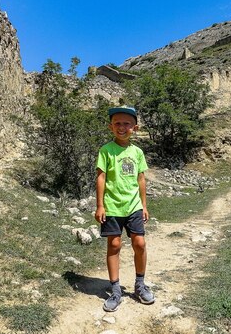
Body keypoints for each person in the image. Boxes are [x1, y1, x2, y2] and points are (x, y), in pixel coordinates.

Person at [95, 106, 155, 312]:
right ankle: (115, 290)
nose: (122, 127)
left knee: (139, 243)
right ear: (111, 126)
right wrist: (100, 205)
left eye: (126, 124)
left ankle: (140, 285)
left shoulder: (137, 152)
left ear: (135, 128)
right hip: (112, 206)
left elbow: (141, 180)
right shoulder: (106, 150)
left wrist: (144, 205)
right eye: (117, 123)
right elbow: (101, 177)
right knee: (114, 244)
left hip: (134, 206)